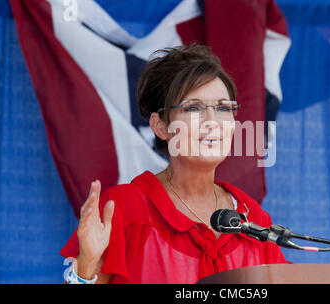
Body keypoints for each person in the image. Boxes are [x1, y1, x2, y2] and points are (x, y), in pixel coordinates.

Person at [60, 44, 289, 284]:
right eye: (193, 108)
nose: (212, 121)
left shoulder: (252, 217)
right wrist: (85, 268)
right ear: (160, 126)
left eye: (222, 107)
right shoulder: (122, 209)